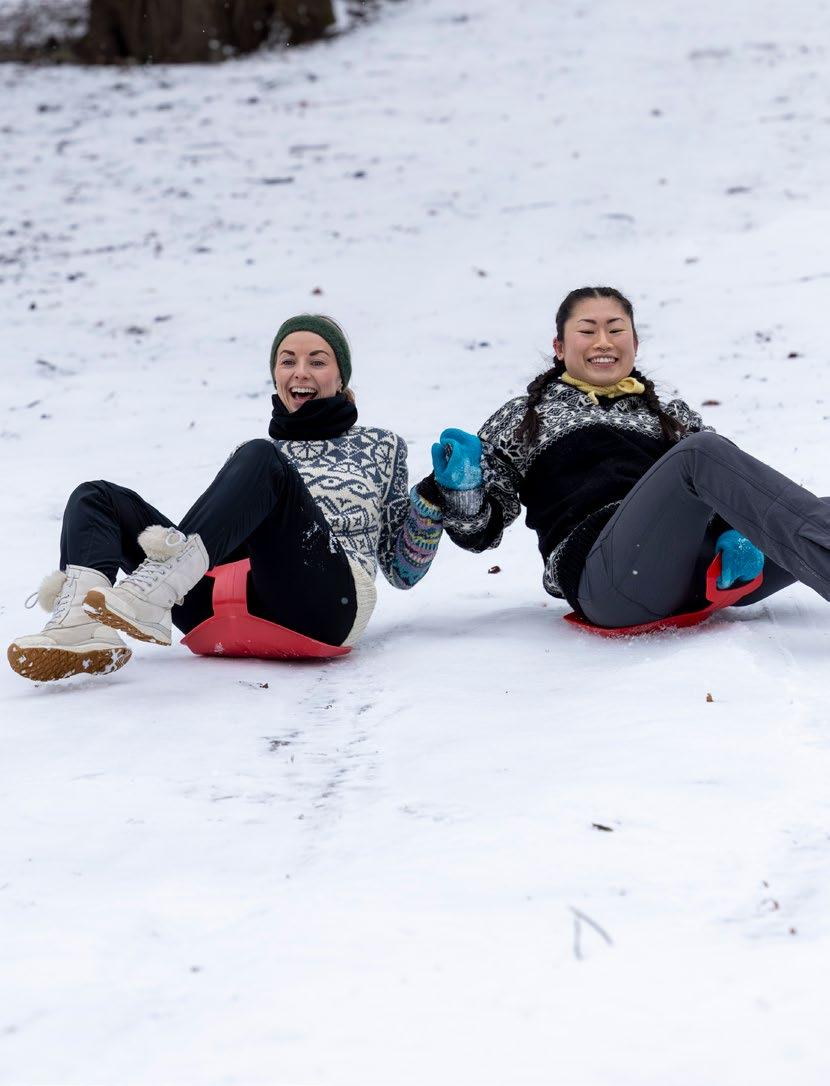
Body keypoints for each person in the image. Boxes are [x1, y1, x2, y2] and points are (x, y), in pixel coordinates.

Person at [8, 315, 443, 682]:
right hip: (225, 604)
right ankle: (82, 628)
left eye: (317, 361)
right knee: (95, 498)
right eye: (287, 361)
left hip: (324, 606)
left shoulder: (380, 446)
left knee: (261, 456)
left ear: (340, 375)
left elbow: (402, 571)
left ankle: (153, 591)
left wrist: (433, 497)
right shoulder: (255, 459)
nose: (300, 372)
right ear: (275, 374)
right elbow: (224, 542)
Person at [426, 285, 830, 629]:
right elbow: (478, 534)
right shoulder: (524, 418)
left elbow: (735, 484)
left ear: (634, 344)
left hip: (701, 575)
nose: (603, 341)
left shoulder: (669, 415)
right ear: (559, 347)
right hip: (614, 583)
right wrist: (463, 490)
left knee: (816, 507)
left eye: (616, 330)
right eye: (588, 330)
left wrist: (735, 531)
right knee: (701, 453)